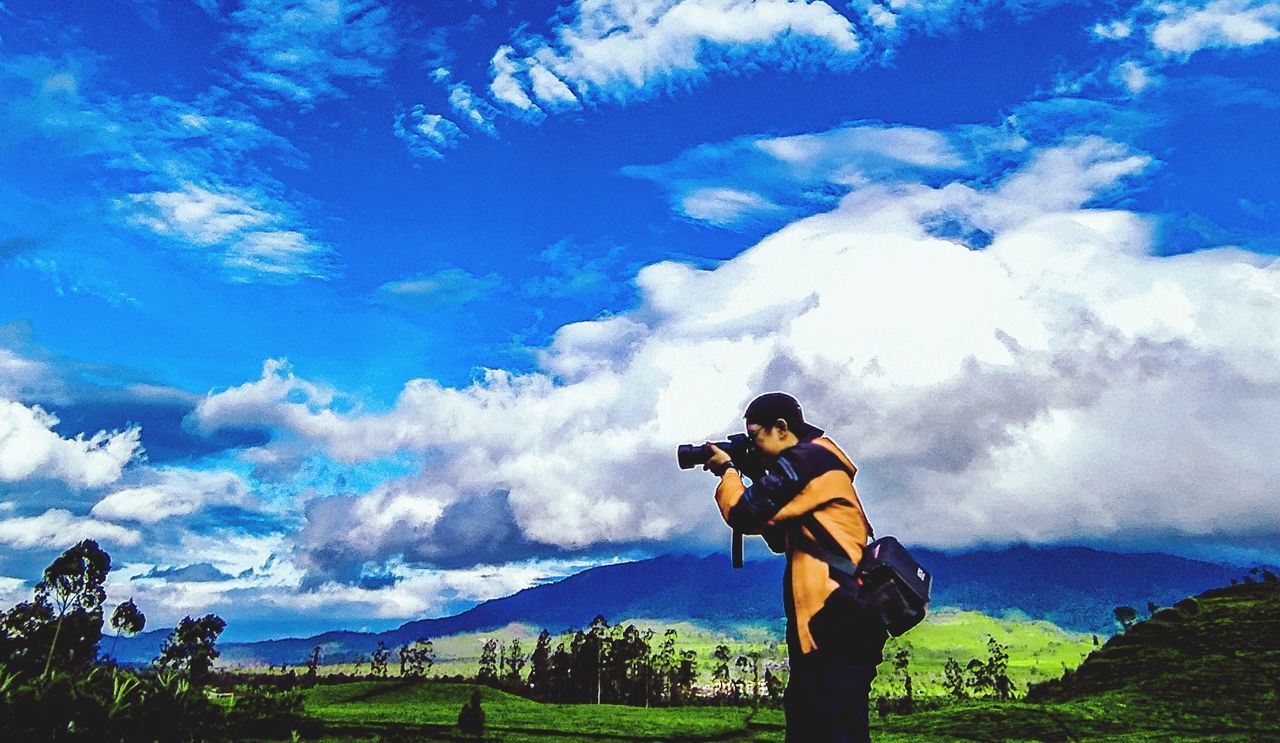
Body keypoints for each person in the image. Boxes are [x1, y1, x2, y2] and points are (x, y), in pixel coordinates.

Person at [704, 392, 886, 743]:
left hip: (834, 616)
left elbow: (745, 513)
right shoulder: (816, 463)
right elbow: (777, 537)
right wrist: (756, 474)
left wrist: (728, 472)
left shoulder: (809, 460)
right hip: (835, 618)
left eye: (756, 436)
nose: (754, 447)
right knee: (816, 721)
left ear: (782, 428)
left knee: (831, 725)